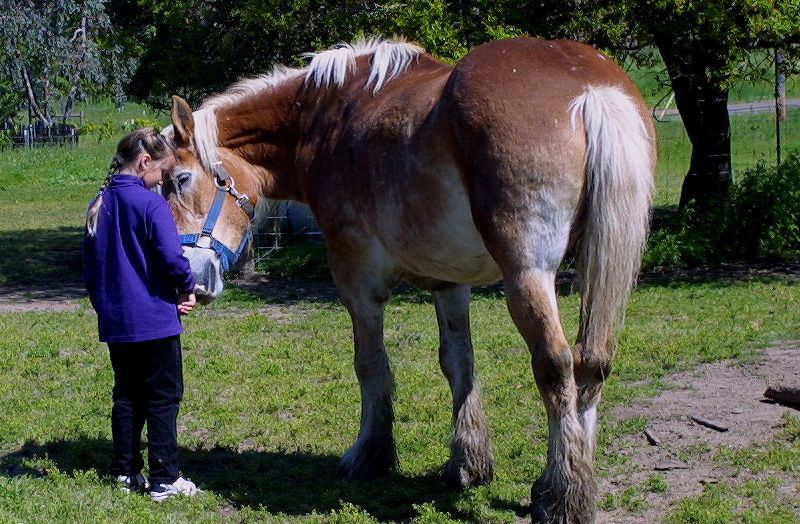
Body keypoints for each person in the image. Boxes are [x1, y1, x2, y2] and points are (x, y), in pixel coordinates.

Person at [83, 127, 200, 501]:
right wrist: (186, 287)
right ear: (145, 161)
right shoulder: (150, 205)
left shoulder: (97, 204)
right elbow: (172, 258)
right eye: (162, 174)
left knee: (127, 396)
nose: (162, 181)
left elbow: (89, 268)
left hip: (116, 319)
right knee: (164, 397)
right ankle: (165, 477)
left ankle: (124, 471)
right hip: (153, 319)